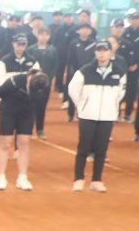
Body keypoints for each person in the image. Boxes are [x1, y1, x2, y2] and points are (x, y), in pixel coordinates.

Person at [67, 40, 126, 192]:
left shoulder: (119, 72)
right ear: (95, 52)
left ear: (110, 52)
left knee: (101, 149)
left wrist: (111, 106)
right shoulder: (84, 71)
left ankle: (96, 180)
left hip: (107, 116)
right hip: (87, 115)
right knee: (84, 148)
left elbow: (121, 93)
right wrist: (82, 105)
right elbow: (73, 90)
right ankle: (79, 179)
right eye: (99, 50)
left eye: (105, 50)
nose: (102, 53)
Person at [0, 35, 41, 191]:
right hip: (9, 106)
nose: (20, 47)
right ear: (13, 44)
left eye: (23, 44)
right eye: (18, 44)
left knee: (24, 144)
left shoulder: (33, 62)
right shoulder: (4, 61)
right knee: (5, 143)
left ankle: (22, 177)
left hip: (27, 108)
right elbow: (1, 84)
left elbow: (37, 81)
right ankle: (0, 177)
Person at [27, 27, 60, 139]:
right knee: (31, 106)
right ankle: (29, 129)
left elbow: (55, 66)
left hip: (46, 82)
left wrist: (50, 79)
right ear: (37, 35)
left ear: (49, 36)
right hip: (32, 82)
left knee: (42, 106)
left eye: (46, 35)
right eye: (41, 34)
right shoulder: (30, 49)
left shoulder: (52, 50)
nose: (44, 37)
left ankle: (40, 129)